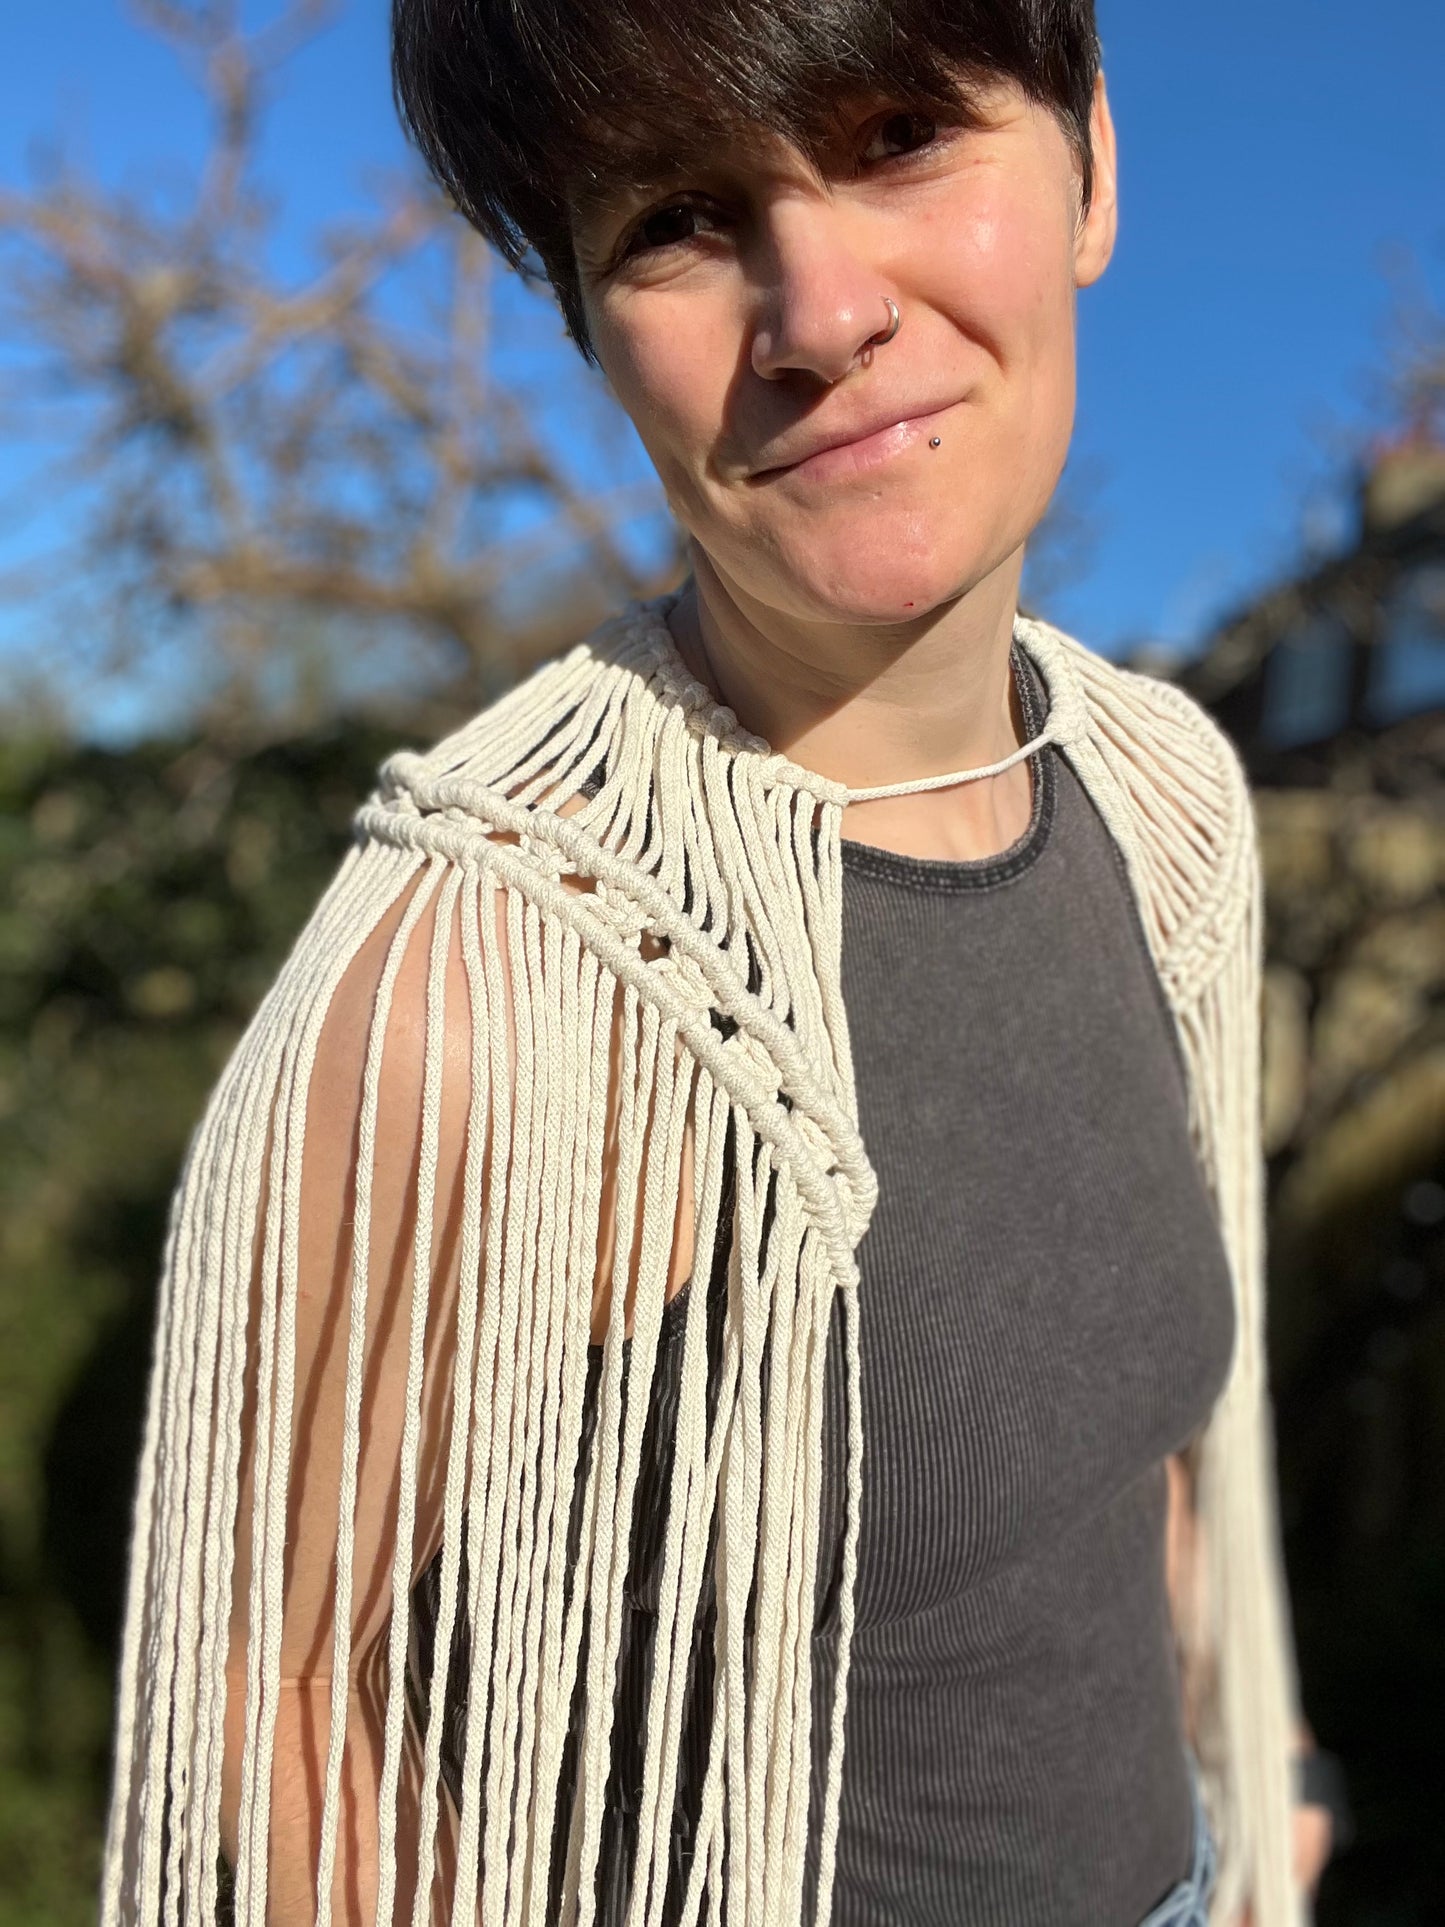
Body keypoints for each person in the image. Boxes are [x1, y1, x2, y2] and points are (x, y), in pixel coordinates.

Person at [101, 3, 1344, 1923]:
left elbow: (1144, 1453)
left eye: (902, 131)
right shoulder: (508, 965)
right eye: (680, 217)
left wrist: (1241, 1776)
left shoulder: (1161, 799)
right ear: (589, 327)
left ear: (1090, 161)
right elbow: (251, 1692)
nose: (822, 306)